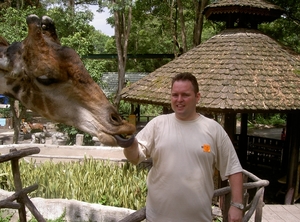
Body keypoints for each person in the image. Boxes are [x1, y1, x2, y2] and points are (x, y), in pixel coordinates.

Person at [119, 72, 243, 222]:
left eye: (185, 95)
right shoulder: (158, 124)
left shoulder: (213, 129)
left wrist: (237, 205)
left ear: (197, 97)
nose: (179, 100)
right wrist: (127, 143)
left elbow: (233, 169)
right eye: (175, 95)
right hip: (157, 218)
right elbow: (135, 157)